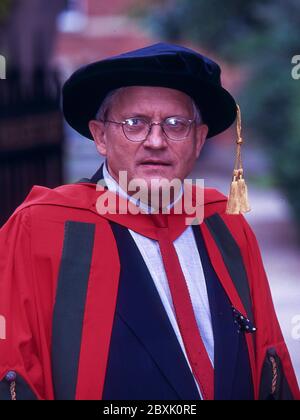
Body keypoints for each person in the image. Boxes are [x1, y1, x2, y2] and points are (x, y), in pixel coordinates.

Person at [0, 43, 299, 400]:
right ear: (99, 136)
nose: (156, 141)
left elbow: (269, 352)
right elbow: (14, 365)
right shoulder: (44, 229)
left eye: (176, 125)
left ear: (199, 139)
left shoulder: (224, 223)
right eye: (134, 123)